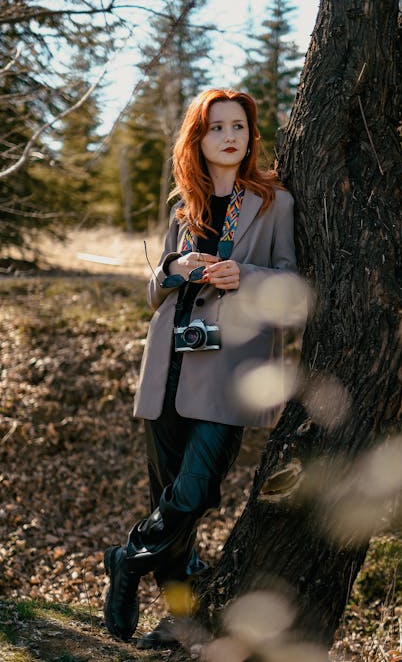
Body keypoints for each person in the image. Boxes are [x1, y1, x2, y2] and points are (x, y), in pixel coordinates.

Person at [103, 88, 297, 648]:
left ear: (250, 135)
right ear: (198, 137)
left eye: (239, 126)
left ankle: (126, 559)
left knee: (195, 495)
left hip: (230, 369)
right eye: (216, 128)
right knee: (171, 507)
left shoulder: (273, 201)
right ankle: (181, 618)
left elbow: (298, 282)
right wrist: (172, 267)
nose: (229, 136)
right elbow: (152, 295)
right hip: (167, 365)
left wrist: (249, 276)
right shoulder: (181, 206)